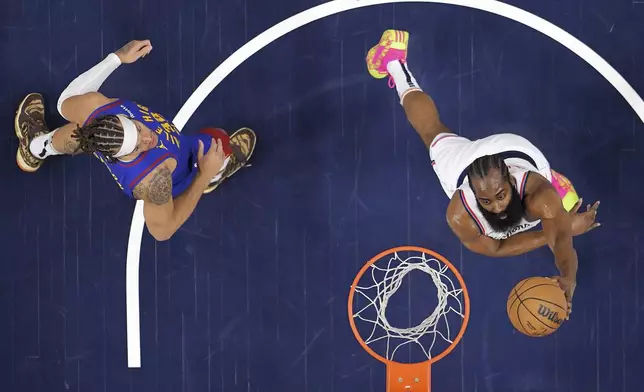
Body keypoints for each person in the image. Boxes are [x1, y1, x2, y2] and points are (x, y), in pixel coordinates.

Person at [366, 29, 600, 315]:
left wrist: (568, 278)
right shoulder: (459, 214)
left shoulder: (538, 195)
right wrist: (555, 229)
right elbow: (496, 249)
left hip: (517, 150)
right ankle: (394, 61)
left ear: (511, 183)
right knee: (432, 135)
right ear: (473, 194)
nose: (497, 206)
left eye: (500, 195)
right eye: (486, 201)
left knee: (432, 130)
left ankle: (393, 60)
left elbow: (562, 242)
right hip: (465, 161)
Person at [15, 39, 256, 241]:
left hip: (110, 136)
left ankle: (36, 146)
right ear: (124, 155)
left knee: (81, 134)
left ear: (119, 118)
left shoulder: (98, 112)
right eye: (140, 145)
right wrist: (203, 175)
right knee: (216, 142)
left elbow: (66, 100)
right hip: (185, 170)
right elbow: (163, 230)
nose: (149, 138)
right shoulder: (155, 181)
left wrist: (117, 58)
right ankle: (215, 174)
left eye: (139, 129)